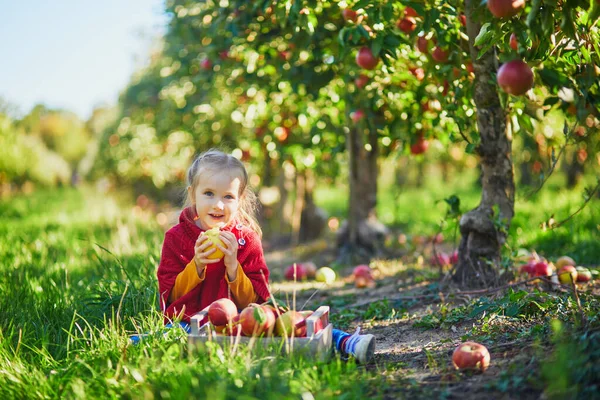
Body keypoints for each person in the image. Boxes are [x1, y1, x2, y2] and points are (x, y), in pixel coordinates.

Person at [138, 149, 375, 363]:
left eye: (228, 197)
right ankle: (137, 343)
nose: (218, 205)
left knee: (293, 320)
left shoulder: (246, 239)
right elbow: (170, 296)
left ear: (240, 200)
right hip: (195, 324)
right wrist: (196, 266)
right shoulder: (177, 238)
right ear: (193, 195)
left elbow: (256, 296)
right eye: (208, 193)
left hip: (243, 321)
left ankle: (345, 342)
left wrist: (233, 268)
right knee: (173, 333)